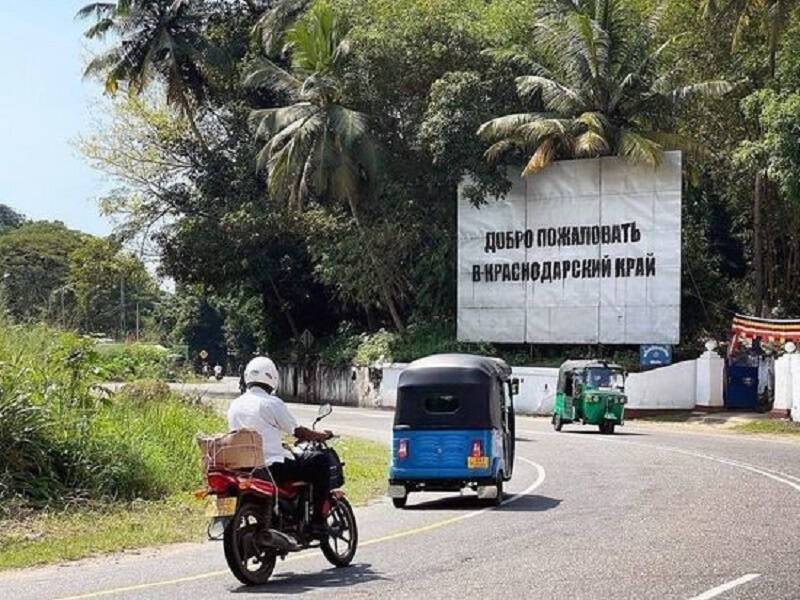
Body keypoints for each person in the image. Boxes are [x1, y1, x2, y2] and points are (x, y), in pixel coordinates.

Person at [227, 355, 333, 533]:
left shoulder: (234, 405)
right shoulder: (271, 403)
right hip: (273, 467)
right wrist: (321, 435)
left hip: (244, 467)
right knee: (321, 461)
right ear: (272, 377)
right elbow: (297, 431)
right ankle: (318, 521)